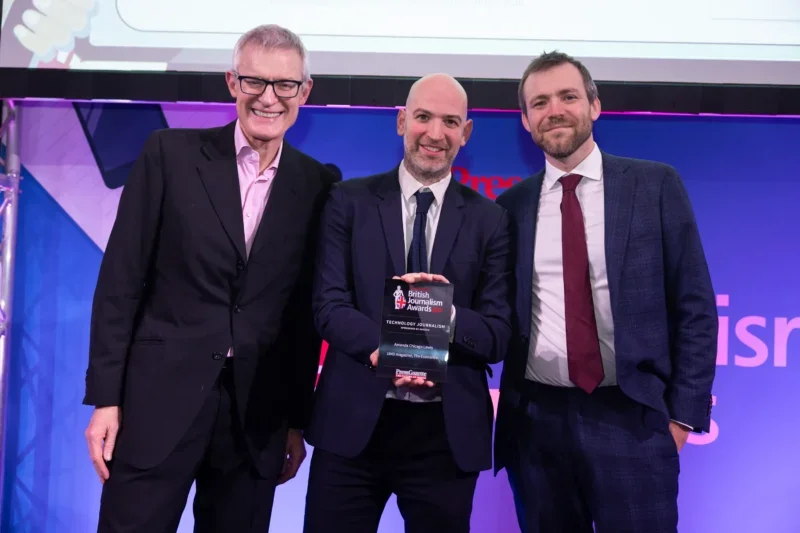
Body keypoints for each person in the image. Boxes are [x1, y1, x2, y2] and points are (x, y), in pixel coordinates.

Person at [82, 24, 338, 533]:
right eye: (254, 82)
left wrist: (294, 420)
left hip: (256, 420)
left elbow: (301, 318)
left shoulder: (318, 184)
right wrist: (105, 399)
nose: (269, 98)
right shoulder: (168, 156)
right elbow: (120, 283)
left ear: (304, 92)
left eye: (285, 85)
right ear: (231, 83)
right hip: (155, 409)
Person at [494, 51, 718, 533]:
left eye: (568, 96)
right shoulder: (510, 206)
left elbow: (695, 307)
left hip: (632, 419)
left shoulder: (654, 185)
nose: (554, 110)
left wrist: (679, 419)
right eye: (540, 102)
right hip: (536, 423)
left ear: (595, 105)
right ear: (526, 119)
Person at [304, 73, 512, 533]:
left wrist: (444, 314)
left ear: (466, 132)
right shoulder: (348, 202)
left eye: (450, 122)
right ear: (401, 121)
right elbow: (328, 305)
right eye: (423, 117)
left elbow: (498, 333)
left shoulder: (490, 220)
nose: (435, 134)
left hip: (445, 437)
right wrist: (384, 347)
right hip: (353, 427)